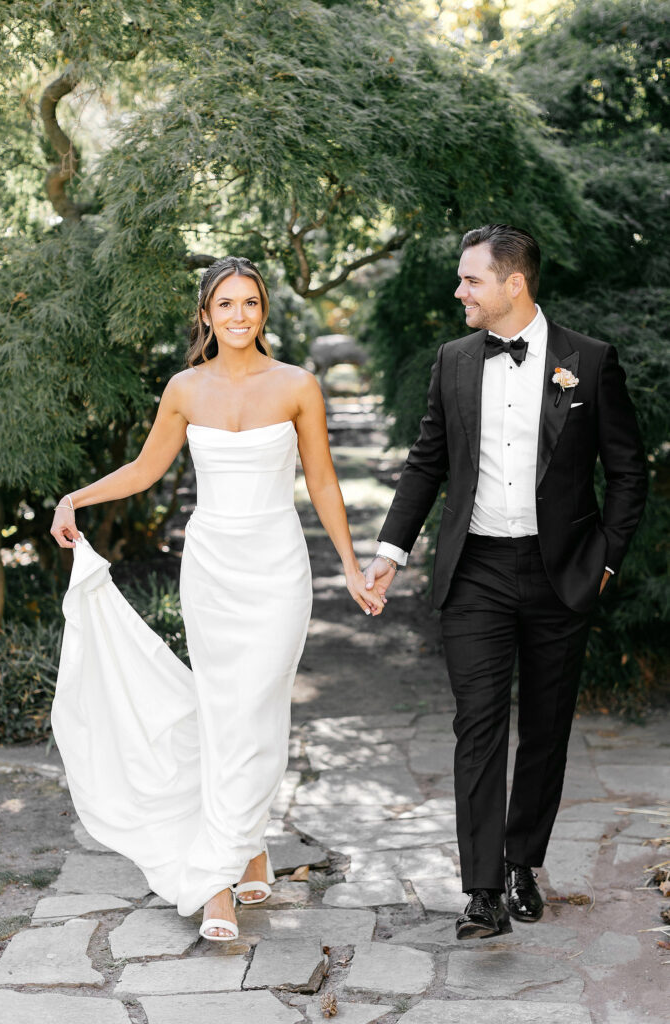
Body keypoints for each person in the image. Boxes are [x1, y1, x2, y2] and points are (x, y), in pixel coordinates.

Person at [50, 255, 383, 942]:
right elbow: (147, 468)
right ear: (205, 314)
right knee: (223, 714)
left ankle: (220, 869)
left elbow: (321, 481)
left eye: (250, 303)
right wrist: (75, 498)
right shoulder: (184, 388)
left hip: (276, 569)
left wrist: (349, 564)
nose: (238, 315)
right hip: (210, 570)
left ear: (263, 312)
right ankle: (236, 862)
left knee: (258, 710)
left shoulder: (297, 386)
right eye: (224, 304)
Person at [365, 224, 647, 940]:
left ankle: (524, 860)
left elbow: (626, 470)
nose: (458, 290)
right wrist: (390, 552)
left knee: (546, 731)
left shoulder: (588, 360)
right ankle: (483, 888)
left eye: (470, 280)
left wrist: (605, 560)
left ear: (512, 283)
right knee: (478, 727)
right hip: (476, 572)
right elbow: (425, 463)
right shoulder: (453, 360)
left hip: (562, 574)